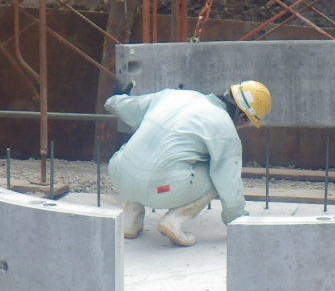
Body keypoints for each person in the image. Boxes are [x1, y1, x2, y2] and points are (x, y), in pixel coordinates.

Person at [104, 80, 273, 247]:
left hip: (119, 176)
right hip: (161, 189)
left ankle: (130, 221)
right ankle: (174, 220)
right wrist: (238, 221)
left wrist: (116, 97)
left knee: (146, 150)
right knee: (218, 175)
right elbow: (228, 182)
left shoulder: (173, 96)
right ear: (242, 117)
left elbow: (126, 107)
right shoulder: (225, 129)